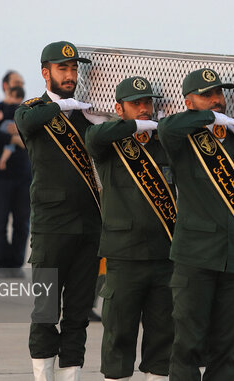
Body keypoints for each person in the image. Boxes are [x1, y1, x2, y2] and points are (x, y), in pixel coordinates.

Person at [158, 68, 234, 381]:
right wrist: (210, 118)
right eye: (207, 95)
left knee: (228, 347)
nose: (216, 100)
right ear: (189, 101)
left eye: (219, 94)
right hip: (195, 258)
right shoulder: (184, 138)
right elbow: (169, 126)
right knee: (187, 345)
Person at [15, 41, 102, 381]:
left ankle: (70, 377)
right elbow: (27, 122)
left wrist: (91, 115)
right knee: (46, 310)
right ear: (45, 72)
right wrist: (65, 106)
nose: (70, 75)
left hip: (89, 226)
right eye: (63, 69)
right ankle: (42, 376)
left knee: (79, 312)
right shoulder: (34, 109)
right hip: (51, 228)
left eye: (74, 69)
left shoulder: (86, 114)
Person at [85, 76, 174, 381]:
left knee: (163, 337)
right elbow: (94, 137)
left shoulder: (164, 143)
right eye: (135, 104)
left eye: (148, 102)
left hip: (165, 256)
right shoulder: (110, 144)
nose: (144, 108)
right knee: (119, 335)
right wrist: (134, 126)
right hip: (124, 256)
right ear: (118, 109)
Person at [0, 70, 31, 276]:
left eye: (21, 82)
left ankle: (16, 264)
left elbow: (36, 136)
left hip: (23, 176)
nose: (18, 85)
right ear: (5, 86)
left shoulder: (29, 111)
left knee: (22, 223)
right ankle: (1, 264)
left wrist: (20, 136)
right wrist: (12, 140)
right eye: (15, 82)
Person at [0, 86, 25, 171]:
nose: (10, 99)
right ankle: (3, 160)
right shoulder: (9, 106)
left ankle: (3, 160)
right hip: (9, 129)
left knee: (9, 145)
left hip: (8, 127)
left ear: (20, 98)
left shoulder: (16, 107)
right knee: (10, 145)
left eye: (13, 97)